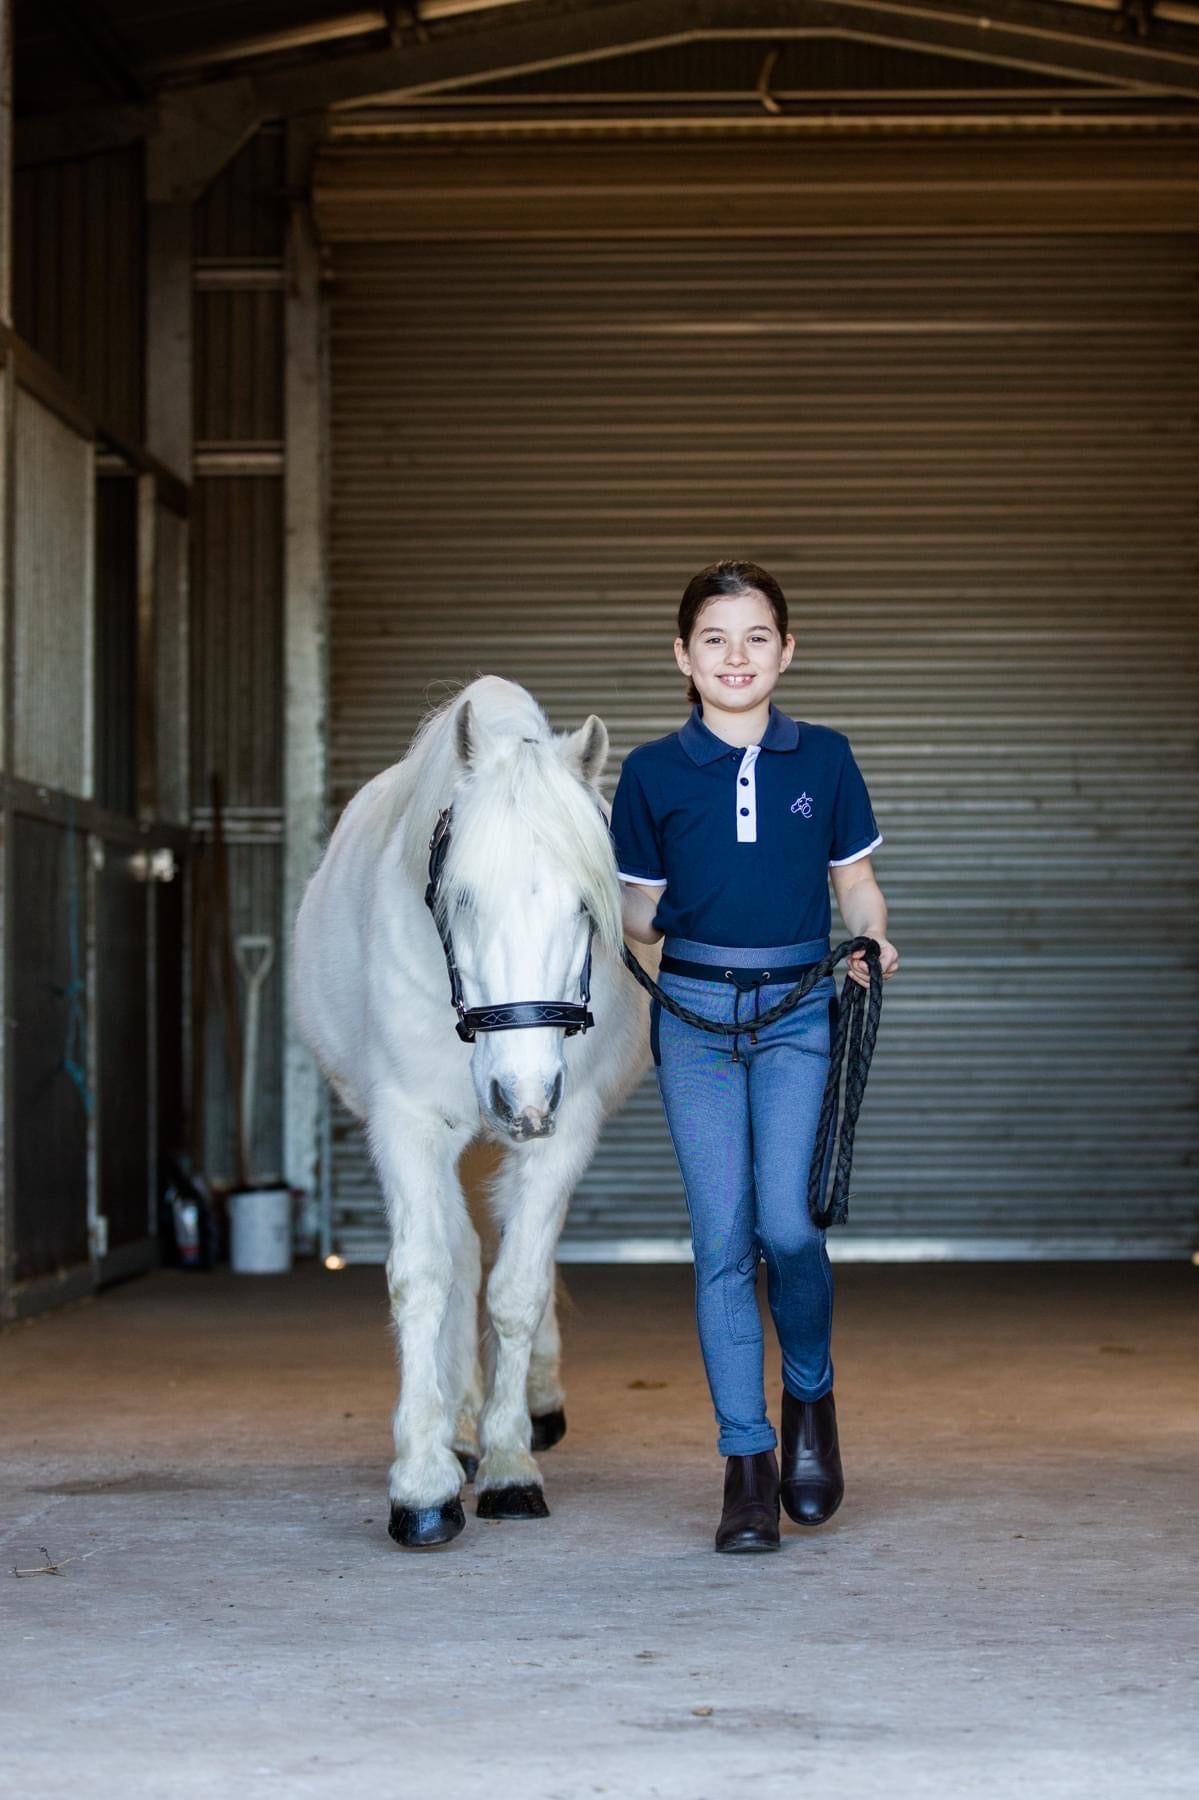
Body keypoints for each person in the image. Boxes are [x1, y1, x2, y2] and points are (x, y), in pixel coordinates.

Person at [610, 559, 899, 1553]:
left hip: (796, 1010)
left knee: (788, 1226)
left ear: (785, 650)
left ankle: (808, 1393)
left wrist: (870, 935)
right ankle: (746, 1465)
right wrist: (607, 900)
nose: (735, 657)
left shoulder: (824, 759)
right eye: (714, 639)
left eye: (755, 637)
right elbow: (636, 911)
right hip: (690, 1012)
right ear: (681, 656)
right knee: (722, 1239)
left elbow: (854, 884)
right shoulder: (649, 773)